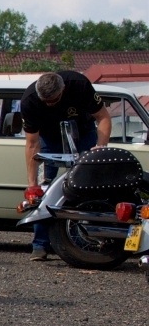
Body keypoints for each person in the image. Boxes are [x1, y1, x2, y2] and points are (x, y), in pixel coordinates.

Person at [22, 70, 111, 261]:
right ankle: (40, 245)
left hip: (84, 134)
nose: (50, 104)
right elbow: (31, 144)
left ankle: (85, 239)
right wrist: (32, 185)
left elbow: (103, 117)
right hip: (50, 139)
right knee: (44, 189)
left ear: (63, 89)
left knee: (88, 186)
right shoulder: (29, 101)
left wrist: (100, 147)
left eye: (53, 100)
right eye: (46, 102)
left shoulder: (79, 84)